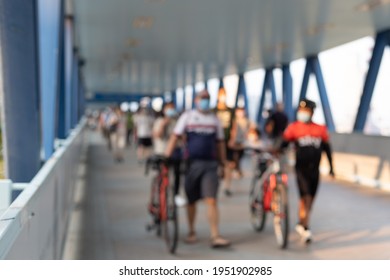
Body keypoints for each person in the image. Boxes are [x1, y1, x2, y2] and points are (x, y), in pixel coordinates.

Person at [165, 89, 230, 248]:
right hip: (191, 164)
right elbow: (175, 136)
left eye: (207, 98)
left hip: (210, 164)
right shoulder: (187, 117)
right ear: (196, 100)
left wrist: (223, 162)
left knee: (212, 199)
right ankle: (191, 231)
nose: (205, 101)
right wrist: (166, 157)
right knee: (191, 200)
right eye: (202, 98)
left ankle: (215, 235)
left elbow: (220, 142)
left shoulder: (215, 120)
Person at [281, 98, 335, 243]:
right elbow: (284, 143)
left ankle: (301, 221)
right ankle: (305, 226)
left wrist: (331, 168)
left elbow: (327, 148)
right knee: (306, 196)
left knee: (309, 198)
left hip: (315, 170)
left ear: (311, 112)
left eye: (306, 111)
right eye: (301, 111)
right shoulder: (294, 127)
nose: (303, 113)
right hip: (301, 169)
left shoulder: (320, 129)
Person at [152, 102, 185, 206]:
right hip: (161, 152)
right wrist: (164, 124)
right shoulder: (159, 121)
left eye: (172, 108)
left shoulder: (177, 122)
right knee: (162, 175)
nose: (171, 110)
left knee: (177, 175)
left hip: (175, 152)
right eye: (168, 108)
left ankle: (176, 195)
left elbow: (183, 138)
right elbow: (157, 135)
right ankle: (160, 198)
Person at [223, 106, 250, 196]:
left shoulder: (247, 121)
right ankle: (227, 186)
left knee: (234, 164)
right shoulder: (232, 121)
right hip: (232, 146)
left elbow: (250, 132)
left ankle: (237, 170)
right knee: (229, 165)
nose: (240, 113)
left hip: (240, 146)